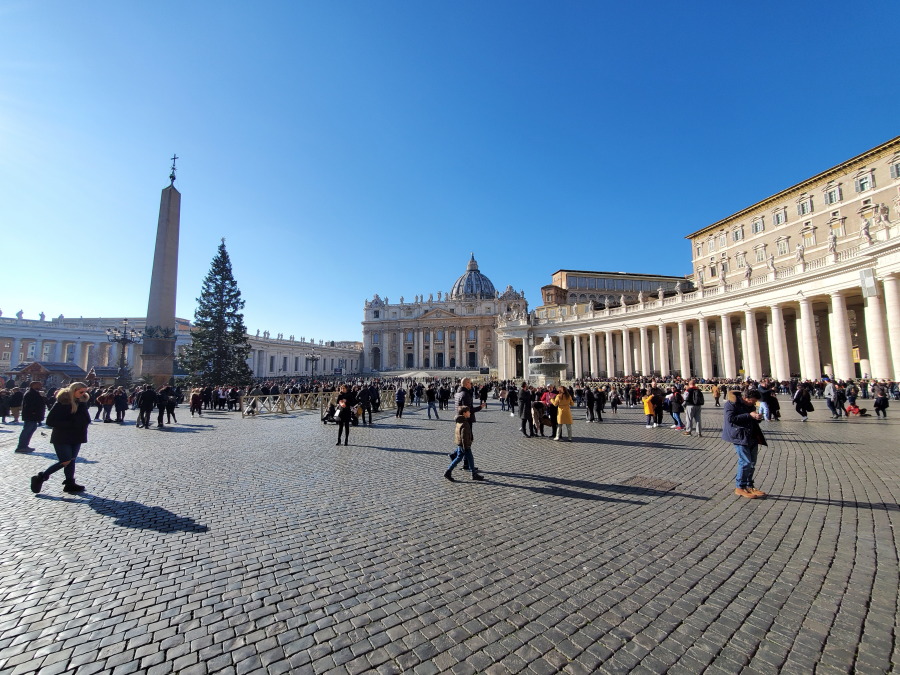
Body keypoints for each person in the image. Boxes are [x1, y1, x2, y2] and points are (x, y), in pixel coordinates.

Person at [30, 382, 91, 494]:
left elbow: (86, 419)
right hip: (62, 436)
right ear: (74, 390)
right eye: (81, 392)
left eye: (85, 392)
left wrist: (83, 422)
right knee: (65, 460)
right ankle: (41, 477)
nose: (83, 394)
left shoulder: (82, 403)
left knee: (72, 460)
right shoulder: (62, 403)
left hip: (77, 436)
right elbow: (50, 421)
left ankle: (70, 483)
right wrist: (71, 424)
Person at [723, 388, 767, 499]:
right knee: (745, 462)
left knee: (752, 462)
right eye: (752, 401)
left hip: (751, 435)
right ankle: (740, 487)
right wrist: (749, 415)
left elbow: (751, 417)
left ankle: (749, 485)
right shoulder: (731, 404)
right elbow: (730, 419)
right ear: (745, 398)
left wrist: (757, 418)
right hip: (739, 436)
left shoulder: (750, 405)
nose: (754, 403)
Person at [443, 406, 484, 482]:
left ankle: (448, 472)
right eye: (469, 412)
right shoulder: (464, 423)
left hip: (460, 444)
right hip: (465, 445)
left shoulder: (460, 421)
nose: (470, 413)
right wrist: (466, 447)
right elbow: (464, 436)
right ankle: (473, 474)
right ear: (464, 413)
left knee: (459, 458)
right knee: (470, 459)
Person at [15, 381, 45, 453]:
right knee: (27, 431)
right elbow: (29, 405)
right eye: (39, 385)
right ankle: (21, 447)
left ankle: (25, 445)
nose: (41, 386)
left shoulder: (34, 393)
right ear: (33, 385)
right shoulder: (30, 393)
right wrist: (34, 412)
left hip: (33, 416)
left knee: (30, 430)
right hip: (31, 416)